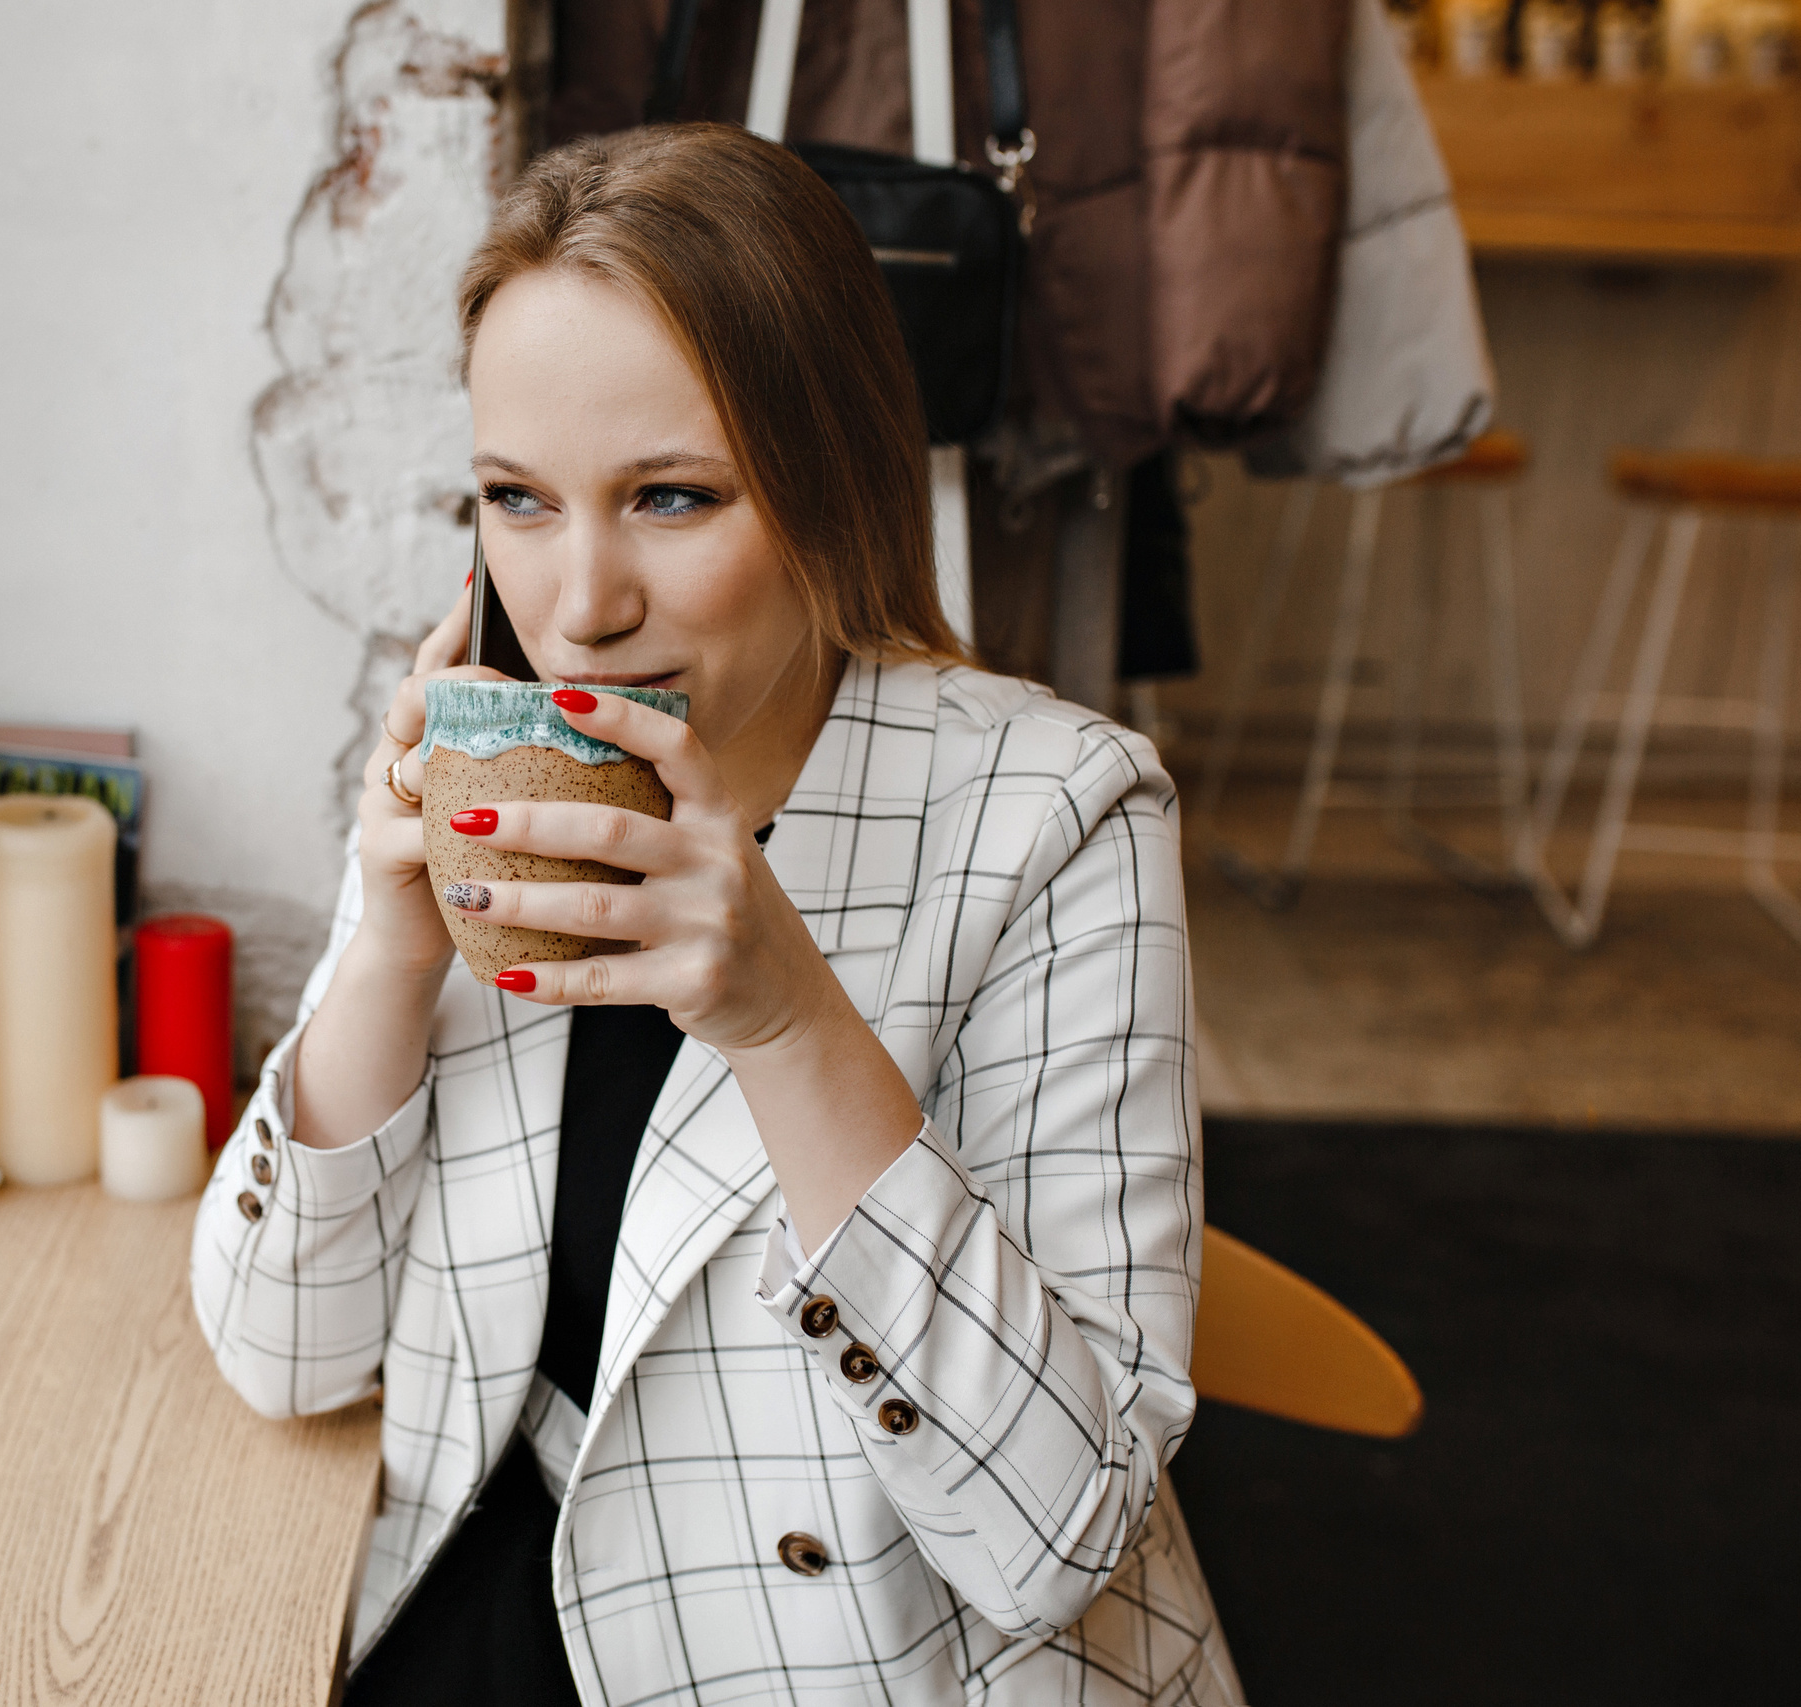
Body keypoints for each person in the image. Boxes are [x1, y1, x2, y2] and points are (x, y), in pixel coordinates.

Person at [192, 122, 1239, 1706]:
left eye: (672, 498)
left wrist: (786, 1019)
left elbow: (1059, 1543)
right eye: (516, 500)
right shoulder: (485, 743)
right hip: (484, 1589)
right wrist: (394, 959)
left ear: (832, 490)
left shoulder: (1056, 817)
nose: (581, 603)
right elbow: (281, 1357)